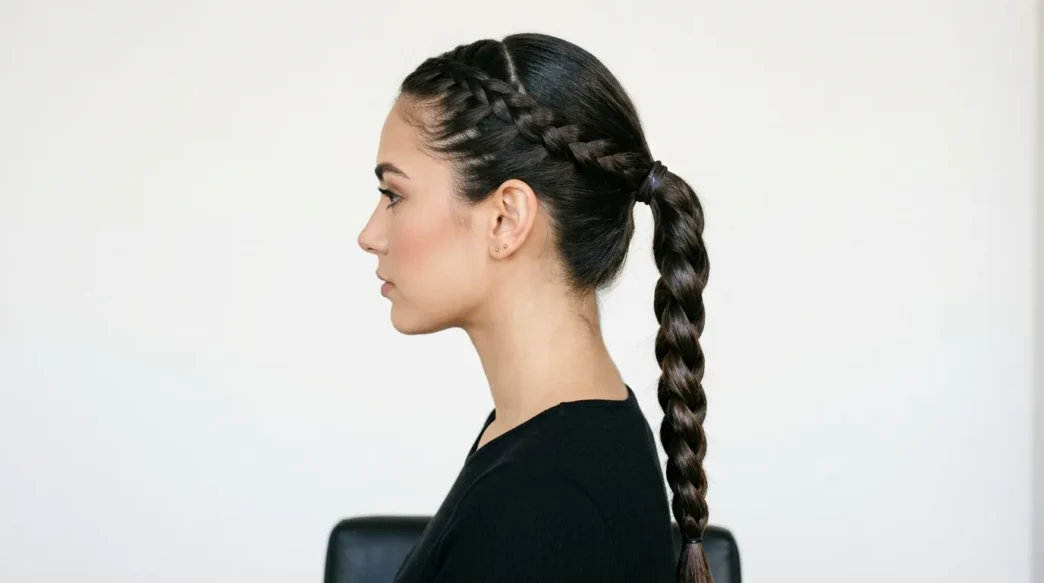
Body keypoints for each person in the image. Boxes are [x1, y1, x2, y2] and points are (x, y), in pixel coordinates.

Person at [358, 32, 712, 583]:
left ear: (506, 219)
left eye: (394, 196)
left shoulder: (543, 502)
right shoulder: (542, 438)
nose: (370, 234)